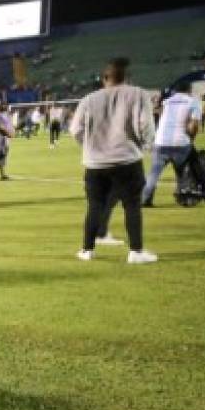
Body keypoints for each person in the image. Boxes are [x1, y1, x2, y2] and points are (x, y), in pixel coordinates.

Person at [70, 57, 156, 263]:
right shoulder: (138, 94)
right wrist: (144, 145)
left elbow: (75, 130)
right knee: (132, 206)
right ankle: (136, 252)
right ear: (127, 78)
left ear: (104, 78)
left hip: (95, 163)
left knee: (94, 206)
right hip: (127, 161)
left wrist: (90, 147)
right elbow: (146, 126)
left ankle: (86, 250)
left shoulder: (89, 99)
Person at [142, 80, 202, 207]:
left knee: (154, 173)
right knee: (182, 173)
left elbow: (163, 119)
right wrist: (191, 139)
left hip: (161, 141)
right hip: (180, 143)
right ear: (189, 90)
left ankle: (144, 199)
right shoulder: (193, 102)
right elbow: (194, 125)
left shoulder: (167, 102)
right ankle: (185, 198)